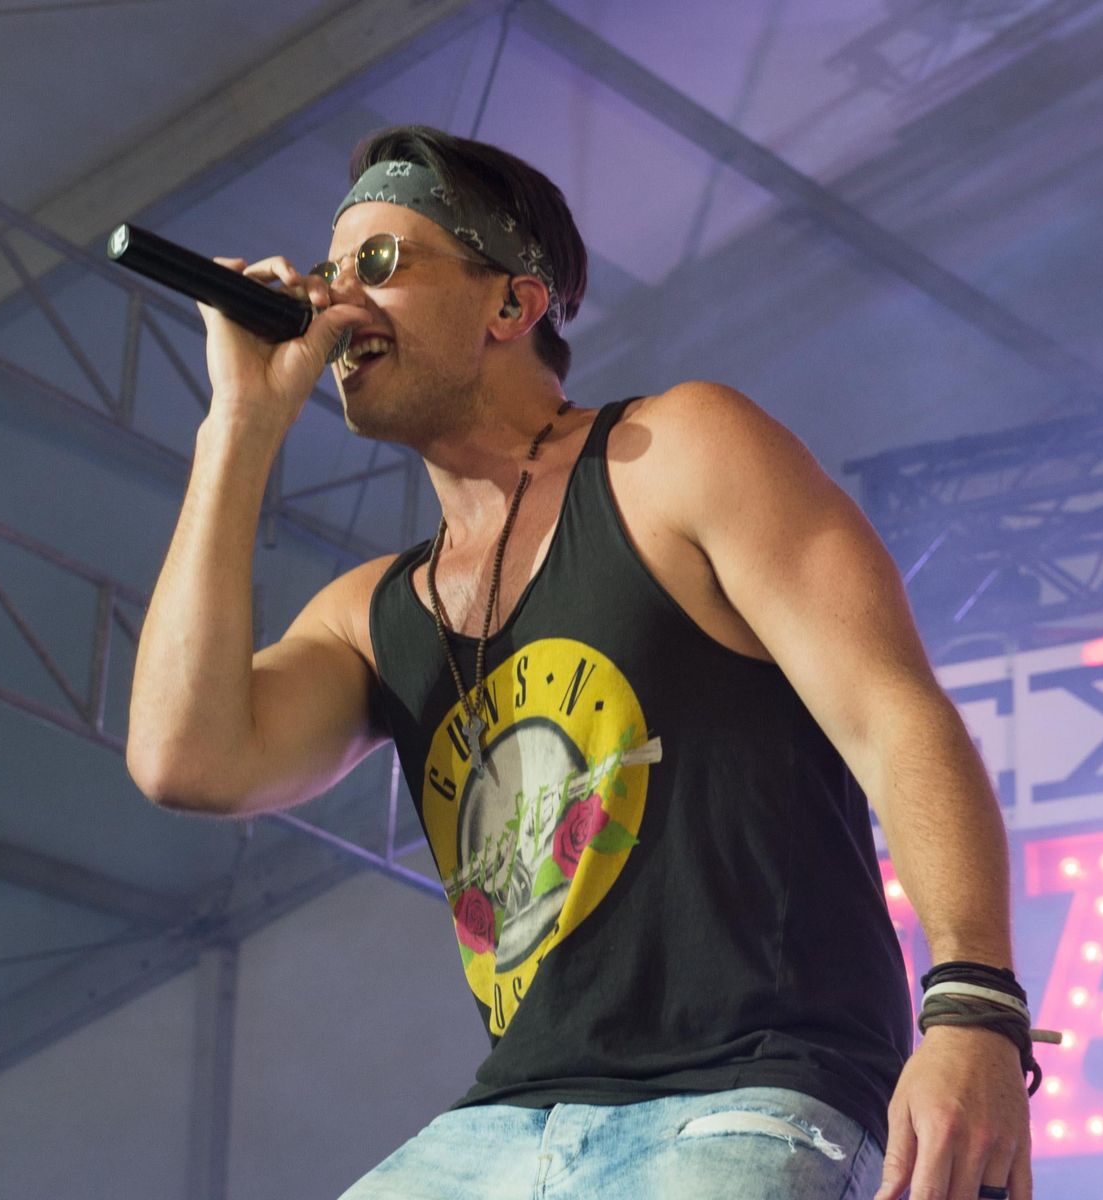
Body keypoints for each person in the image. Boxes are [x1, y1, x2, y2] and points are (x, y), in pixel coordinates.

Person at [127, 126, 1037, 1200]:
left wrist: (973, 1009)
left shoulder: (677, 454)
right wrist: (238, 424)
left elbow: (897, 718)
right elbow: (186, 758)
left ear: (512, 304)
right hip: (509, 1121)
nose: (335, 300)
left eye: (379, 261)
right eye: (330, 270)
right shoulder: (369, 616)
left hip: (752, 1086)